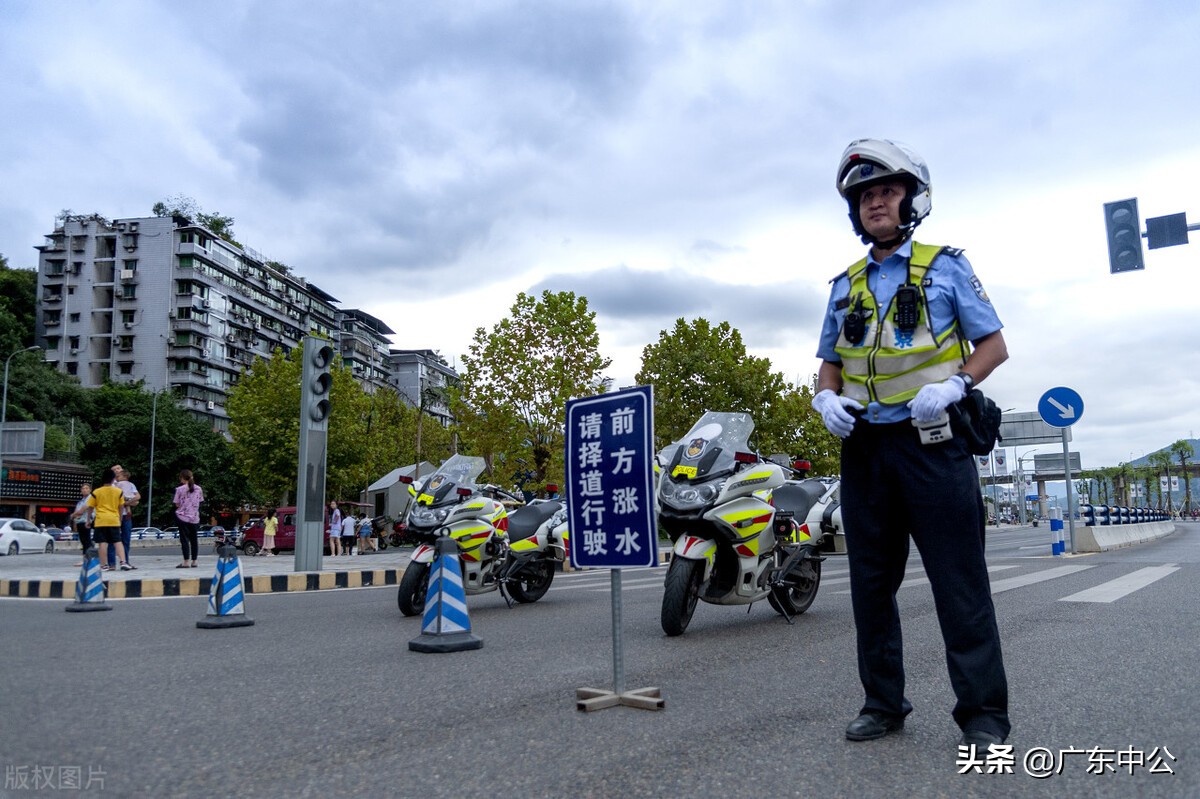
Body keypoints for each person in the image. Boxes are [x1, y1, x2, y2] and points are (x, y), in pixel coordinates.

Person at [812, 139, 1010, 750]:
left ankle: (983, 716)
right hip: (867, 449)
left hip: (933, 440)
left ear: (911, 200)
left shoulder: (946, 267)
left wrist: (955, 384)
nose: (875, 202)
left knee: (959, 581)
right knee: (871, 585)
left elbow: (994, 346)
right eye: (865, 196)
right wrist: (824, 399)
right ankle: (883, 703)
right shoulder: (843, 285)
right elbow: (828, 364)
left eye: (886, 192)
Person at [86, 469, 131, 571]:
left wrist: (88, 520)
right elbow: (121, 506)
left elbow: (90, 507)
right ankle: (123, 562)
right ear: (113, 479)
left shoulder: (96, 492)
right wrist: (119, 518)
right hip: (113, 519)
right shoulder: (118, 492)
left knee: (102, 543)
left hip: (100, 520)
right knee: (117, 541)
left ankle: (104, 565)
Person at [107, 465, 140, 570]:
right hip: (114, 514)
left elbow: (137, 498)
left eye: (119, 468)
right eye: (115, 469)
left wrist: (126, 503)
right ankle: (111, 564)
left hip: (126, 515)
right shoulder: (111, 485)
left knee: (126, 539)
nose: (117, 470)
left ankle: (125, 562)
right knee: (112, 539)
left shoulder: (129, 484)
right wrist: (128, 502)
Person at [172, 469, 204, 568]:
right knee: (194, 539)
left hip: (182, 517)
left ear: (182, 478)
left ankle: (186, 561)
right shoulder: (199, 489)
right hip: (195, 518)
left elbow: (177, 504)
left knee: (184, 540)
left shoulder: (179, 489)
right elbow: (201, 501)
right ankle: (194, 561)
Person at [70, 482, 94, 565]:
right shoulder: (81, 501)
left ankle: (86, 559)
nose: (85, 490)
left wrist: (73, 515)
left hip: (86, 521)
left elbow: (81, 511)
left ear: (90, 490)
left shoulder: (90, 498)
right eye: (83, 488)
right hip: (80, 522)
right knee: (84, 541)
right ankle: (87, 558)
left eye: (87, 488)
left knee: (86, 541)